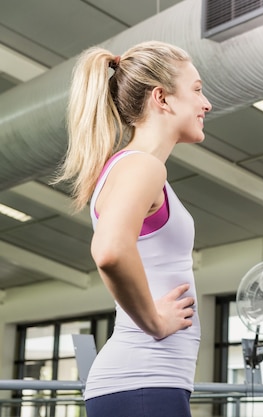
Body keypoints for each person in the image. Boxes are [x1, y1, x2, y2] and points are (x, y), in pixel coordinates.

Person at [53, 41, 212, 417]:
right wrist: (156, 322)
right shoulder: (142, 167)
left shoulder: (133, 167)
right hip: (143, 383)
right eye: (197, 89)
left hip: (147, 384)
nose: (205, 104)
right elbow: (109, 251)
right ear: (162, 98)